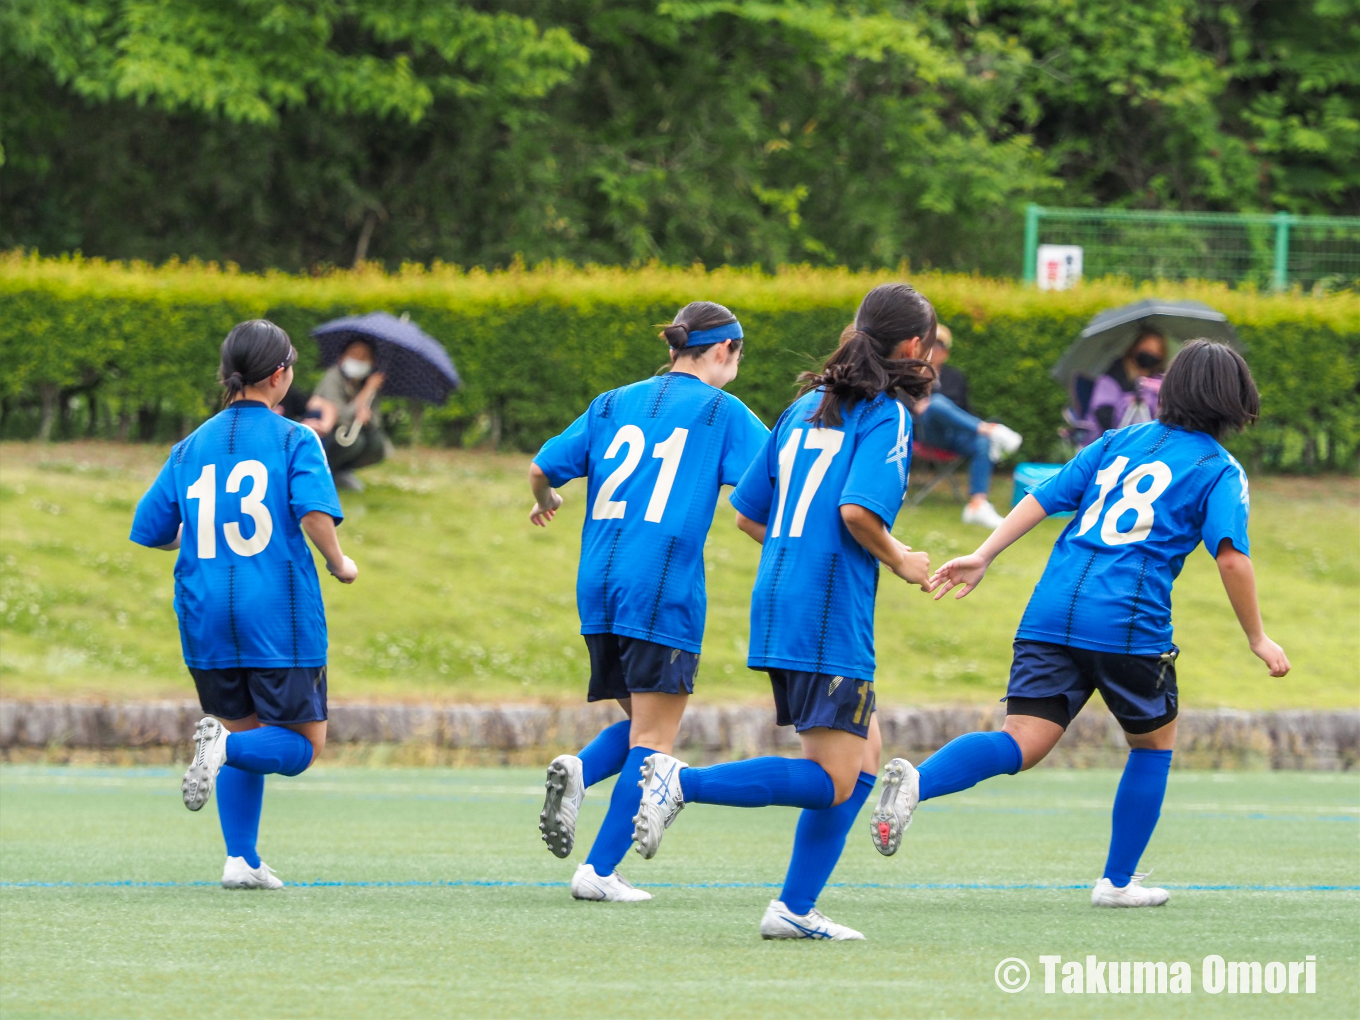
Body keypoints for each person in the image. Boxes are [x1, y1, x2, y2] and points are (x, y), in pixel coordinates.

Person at [871, 339, 1290, 909]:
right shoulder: (1218, 468)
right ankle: (1116, 882)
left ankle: (920, 782)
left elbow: (1045, 498)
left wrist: (984, 554)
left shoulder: (1117, 441)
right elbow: (1231, 555)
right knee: (1153, 743)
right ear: (1235, 400)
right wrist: (1257, 638)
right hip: (1127, 621)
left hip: (1051, 610)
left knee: (1022, 739)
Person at [632, 283, 936, 940]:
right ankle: (682, 783)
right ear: (913, 348)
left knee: (863, 758)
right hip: (828, 609)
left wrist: (802, 555)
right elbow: (858, 513)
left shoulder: (804, 408)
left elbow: (747, 512)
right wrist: (901, 558)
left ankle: (794, 908)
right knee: (834, 778)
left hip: (780, 597)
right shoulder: (888, 415)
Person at [528, 301, 769, 903]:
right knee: (655, 743)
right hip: (662, 587)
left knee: (642, 722)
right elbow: (770, 490)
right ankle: (600, 870)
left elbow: (542, 467)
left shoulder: (611, 402)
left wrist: (547, 500)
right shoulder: (724, 412)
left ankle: (583, 772)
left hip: (599, 583)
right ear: (724, 351)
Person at [129, 320, 358, 890]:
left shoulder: (189, 447)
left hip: (204, 614)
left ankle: (241, 860)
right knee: (302, 744)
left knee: (240, 727)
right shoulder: (295, 438)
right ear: (279, 375)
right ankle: (224, 751)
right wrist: (338, 560)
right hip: (275, 615)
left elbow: (149, 526)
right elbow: (311, 512)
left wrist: (202, 536)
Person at [911, 325, 1022, 529]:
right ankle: (990, 429)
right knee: (935, 404)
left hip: (955, 436)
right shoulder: (910, 375)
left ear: (946, 352)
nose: (934, 351)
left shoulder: (955, 377)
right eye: (930, 346)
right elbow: (907, 408)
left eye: (939, 346)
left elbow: (965, 410)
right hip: (926, 434)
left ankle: (977, 505)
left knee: (982, 440)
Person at [306, 339, 388, 491]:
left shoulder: (370, 382)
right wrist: (367, 391)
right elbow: (338, 414)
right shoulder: (333, 377)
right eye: (354, 355)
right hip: (327, 431)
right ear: (342, 357)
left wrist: (367, 419)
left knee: (377, 444)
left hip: (352, 431)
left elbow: (377, 419)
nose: (358, 360)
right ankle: (326, 472)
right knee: (354, 442)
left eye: (364, 356)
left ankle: (341, 472)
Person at [1089, 328, 1167, 439]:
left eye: (1156, 351)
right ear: (1135, 347)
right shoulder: (1112, 377)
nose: (1151, 353)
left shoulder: (1159, 382)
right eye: (1147, 348)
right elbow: (1102, 413)